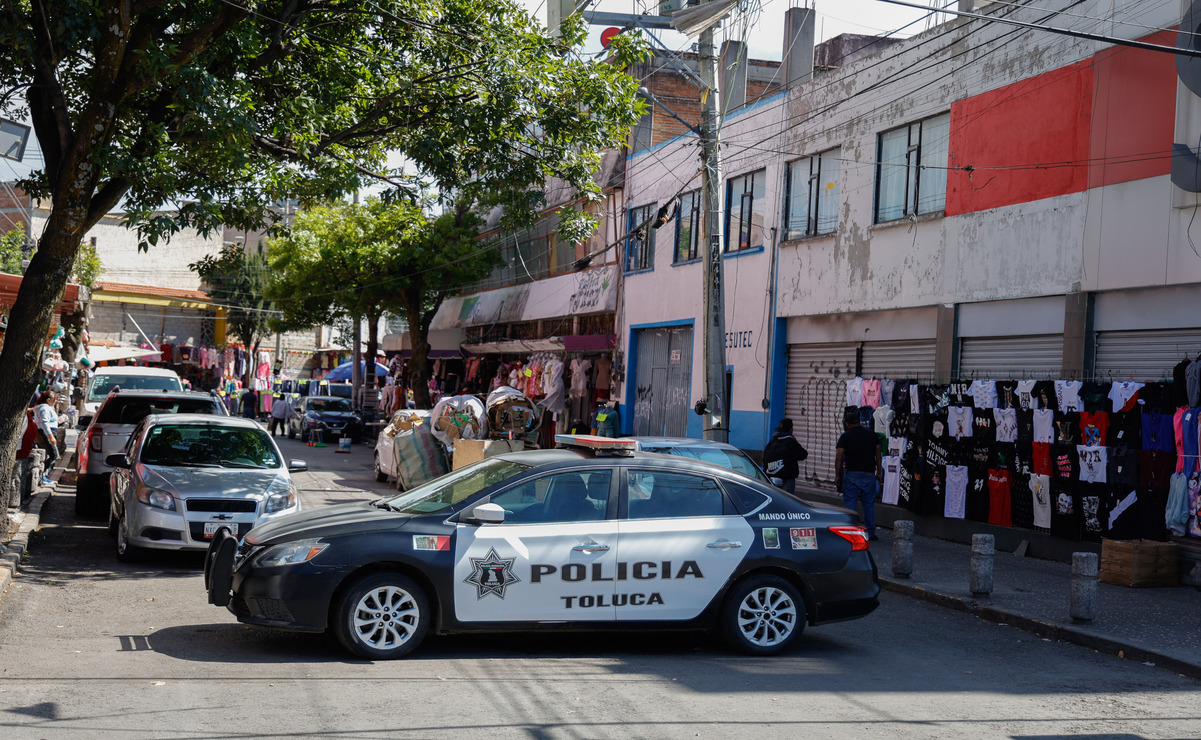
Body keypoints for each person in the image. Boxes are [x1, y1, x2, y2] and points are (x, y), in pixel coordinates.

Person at [835, 407, 882, 541]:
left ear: (848, 424)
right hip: (868, 474)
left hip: (852, 475)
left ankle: (851, 531)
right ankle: (870, 533)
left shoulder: (845, 436)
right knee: (868, 505)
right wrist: (879, 472)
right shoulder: (872, 435)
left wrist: (837, 475)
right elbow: (878, 456)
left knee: (850, 504)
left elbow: (839, 457)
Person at [763, 418, 808, 494]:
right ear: (791, 430)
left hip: (771, 479)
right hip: (786, 480)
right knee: (788, 502)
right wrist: (794, 441)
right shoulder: (790, 442)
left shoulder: (772, 442)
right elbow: (803, 454)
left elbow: (764, 459)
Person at [31, 391, 60, 477]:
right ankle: (41, 474)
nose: (55, 402)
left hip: (46, 433)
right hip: (46, 433)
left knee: (48, 456)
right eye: (54, 400)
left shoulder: (43, 407)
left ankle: (43, 476)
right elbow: (44, 423)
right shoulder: (44, 408)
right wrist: (50, 436)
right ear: (48, 400)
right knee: (54, 456)